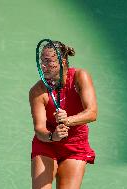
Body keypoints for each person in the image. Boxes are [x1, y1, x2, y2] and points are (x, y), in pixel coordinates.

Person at [29, 40, 98, 189]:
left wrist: (67, 120)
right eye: (42, 61)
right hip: (47, 144)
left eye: (48, 61)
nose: (43, 66)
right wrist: (53, 136)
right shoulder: (37, 91)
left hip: (75, 144)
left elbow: (92, 112)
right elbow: (40, 129)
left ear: (62, 62)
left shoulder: (80, 77)